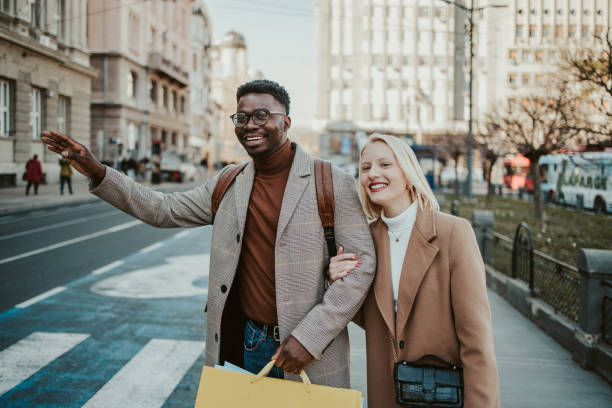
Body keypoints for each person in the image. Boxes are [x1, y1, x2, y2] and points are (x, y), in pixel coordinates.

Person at [42, 79, 376, 388]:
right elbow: (163, 209)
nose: (250, 125)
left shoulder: (330, 180)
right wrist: (97, 170)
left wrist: (310, 337)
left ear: (285, 123)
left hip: (311, 350)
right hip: (248, 341)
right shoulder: (229, 181)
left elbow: (360, 269)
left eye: (262, 115)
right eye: (241, 118)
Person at [328, 134, 499, 407]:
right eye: (366, 168)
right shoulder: (365, 240)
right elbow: (374, 318)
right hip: (386, 392)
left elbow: (477, 341)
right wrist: (337, 281)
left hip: (440, 393)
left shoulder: (453, 233)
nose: (373, 174)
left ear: (408, 173)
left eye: (385, 164)